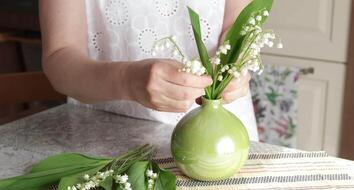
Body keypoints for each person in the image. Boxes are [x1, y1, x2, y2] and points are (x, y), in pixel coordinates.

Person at [39, 0, 258, 141]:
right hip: (104, 139)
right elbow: (59, 56)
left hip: (223, 137)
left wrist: (236, 62)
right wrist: (127, 81)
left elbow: (238, 26)